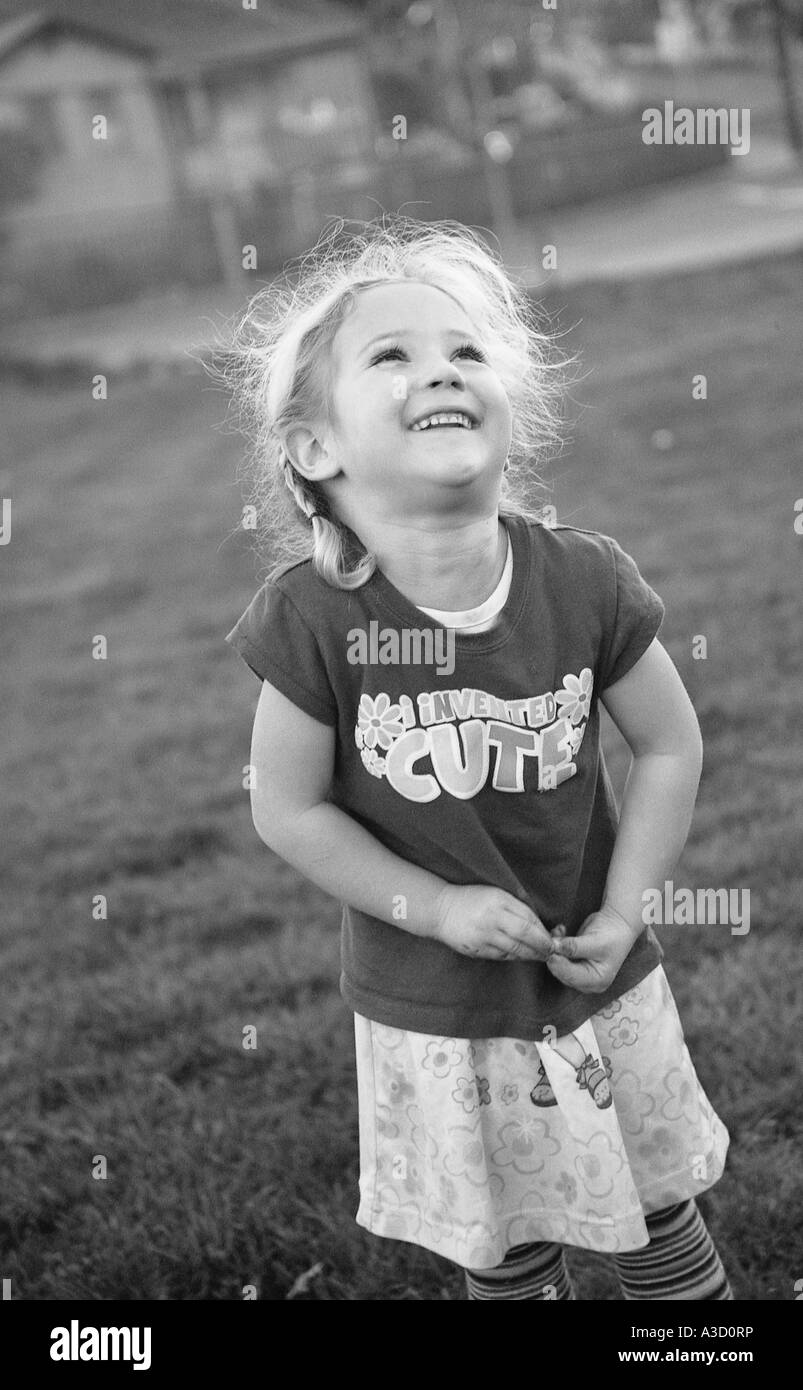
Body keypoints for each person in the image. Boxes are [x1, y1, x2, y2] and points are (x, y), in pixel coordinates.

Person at [222, 217, 733, 1300]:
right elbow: (289, 808)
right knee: (506, 1255)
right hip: (438, 1007)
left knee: (656, 1220)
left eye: (463, 352)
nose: (440, 371)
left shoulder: (583, 580)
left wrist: (627, 907)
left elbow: (668, 743)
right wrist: (434, 908)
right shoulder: (313, 620)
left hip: (592, 981)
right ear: (317, 451)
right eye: (392, 357)